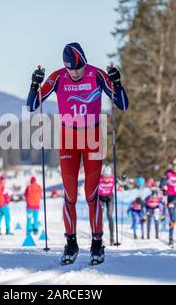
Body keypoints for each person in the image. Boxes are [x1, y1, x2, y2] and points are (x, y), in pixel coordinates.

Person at [27, 42, 128, 265]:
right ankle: (71, 243)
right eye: (71, 68)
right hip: (68, 139)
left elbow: (122, 104)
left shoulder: (96, 74)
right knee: (70, 195)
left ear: (84, 61)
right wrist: (34, 85)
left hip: (92, 137)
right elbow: (33, 104)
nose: (75, 72)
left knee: (92, 195)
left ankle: (97, 244)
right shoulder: (58, 77)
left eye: (78, 67)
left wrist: (117, 83)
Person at [98, 165, 116, 246]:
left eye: (108, 177)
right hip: (101, 198)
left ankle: (112, 238)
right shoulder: (99, 179)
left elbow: (122, 184)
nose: (106, 178)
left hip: (109, 198)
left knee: (109, 216)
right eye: (105, 176)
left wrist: (123, 181)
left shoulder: (113, 179)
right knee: (100, 217)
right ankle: (100, 238)